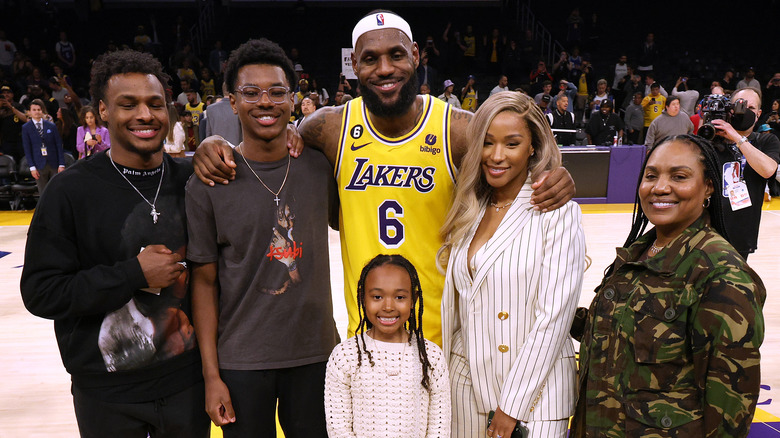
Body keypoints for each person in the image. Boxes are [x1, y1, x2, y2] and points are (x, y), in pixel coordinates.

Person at [192, 9, 575, 346]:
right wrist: (215, 141)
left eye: (396, 55)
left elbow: (513, 156)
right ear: (354, 65)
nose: (385, 68)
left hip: (445, 332)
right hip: (366, 333)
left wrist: (555, 174)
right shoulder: (327, 128)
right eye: (371, 59)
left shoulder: (457, 129)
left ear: (416, 56)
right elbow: (269, 144)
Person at [20, 49, 209, 437]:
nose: (145, 114)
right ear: (103, 111)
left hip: (187, 386)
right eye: (129, 104)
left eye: (155, 104)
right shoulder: (69, 191)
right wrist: (132, 273)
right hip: (107, 394)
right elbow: (41, 292)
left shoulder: (192, 178)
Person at [186, 38, 338, 437]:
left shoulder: (320, 166)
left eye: (276, 92)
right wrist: (211, 375)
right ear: (232, 102)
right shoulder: (209, 180)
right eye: (250, 93)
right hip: (241, 361)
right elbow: (203, 283)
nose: (265, 102)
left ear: (293, 99)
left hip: (315, 355)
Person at [571, 134, 765, 437]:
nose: (660, 187)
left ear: (709, 186)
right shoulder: (638, 252)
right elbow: (622, 337)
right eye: (651, 175)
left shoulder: (720, 274)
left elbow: (729, 410)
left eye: (679, 176)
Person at [439, 92, 586, 438]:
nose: (497, 155)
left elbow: (554, 318)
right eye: (487, 143)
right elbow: (458, 311)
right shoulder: (468, 207)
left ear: (533, 146)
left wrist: (511, 408)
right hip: (467, 387)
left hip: (536, 396)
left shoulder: (557, 210)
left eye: (512, 143)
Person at [324, 254, 450, 437]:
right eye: (377, 296)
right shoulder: (345, 356)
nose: (388, 306)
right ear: (362, 298)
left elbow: (439, 428)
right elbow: (339, 429)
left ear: (413, 300)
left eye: (400, 297)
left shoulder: (431, 356)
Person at [710, 87, 780, 259]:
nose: (745, 112)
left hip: (740, 235)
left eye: (751, 108)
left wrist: (736, 137)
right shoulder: (711, 140)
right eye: (740, 106)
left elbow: (768, 170)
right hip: (705, 232)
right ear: (730, 109)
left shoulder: (766, 140)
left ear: (759, 114)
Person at [21, 98, 65, 194]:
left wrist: (61, 164)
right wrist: (32, 167)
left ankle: (56, 209)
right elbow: (27, 149)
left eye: (39, 110)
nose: (37, 112)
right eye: (34, 110)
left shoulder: (51, 126)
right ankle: (45, 209)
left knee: (56, 191)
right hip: (38, 164)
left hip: (54, 163)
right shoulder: (26, 128)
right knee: (43, 193)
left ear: (42, 111)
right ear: (29, 112)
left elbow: (58, 145)